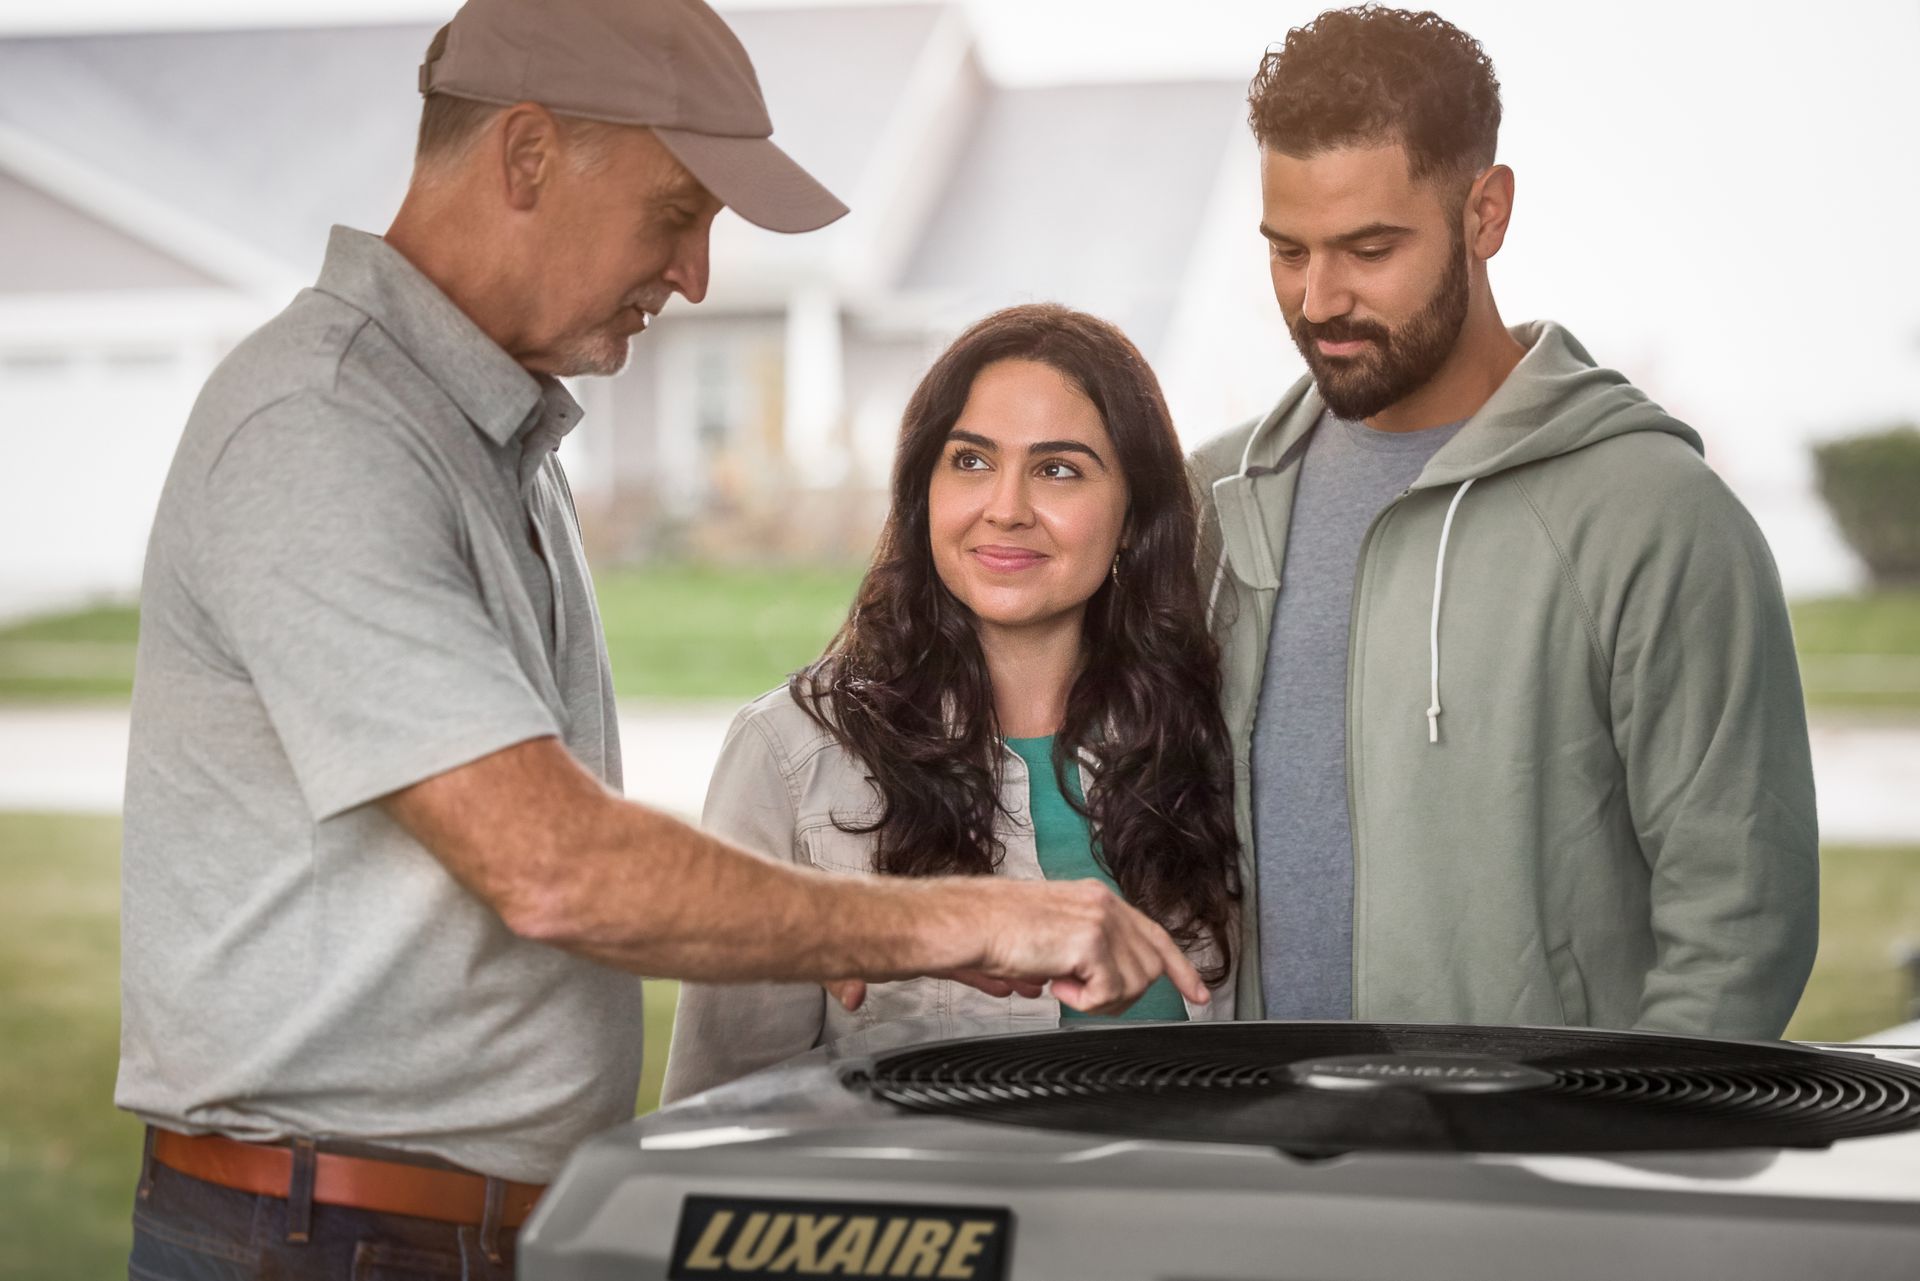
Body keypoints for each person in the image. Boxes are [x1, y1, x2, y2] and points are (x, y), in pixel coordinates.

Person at [116, 3, 1202, 1277]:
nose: (693, 275)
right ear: (527, 156)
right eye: (676, 212)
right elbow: (557, 867)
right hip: (318, 1238)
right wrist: (964, 924)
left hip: (441, 1232)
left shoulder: (501, 450)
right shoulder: (323, 427)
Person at [1193, 6, 1817, 1036]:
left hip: (1540, 1180)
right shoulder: (1219, 500)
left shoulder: (1655, 517)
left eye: (1369, 248)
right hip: (1266, 1172)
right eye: (1287, 252)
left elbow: (1740, 920)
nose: (1317, 298)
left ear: (1486, 214)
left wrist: (1614, 1166)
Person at [663, 304, 1242, 1101]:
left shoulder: (1214, 741)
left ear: (1135, 517)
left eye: (1059, 469)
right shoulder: (790, 758)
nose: (1005, 506)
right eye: (970, 462)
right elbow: (718, 1115)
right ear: (921, 490)